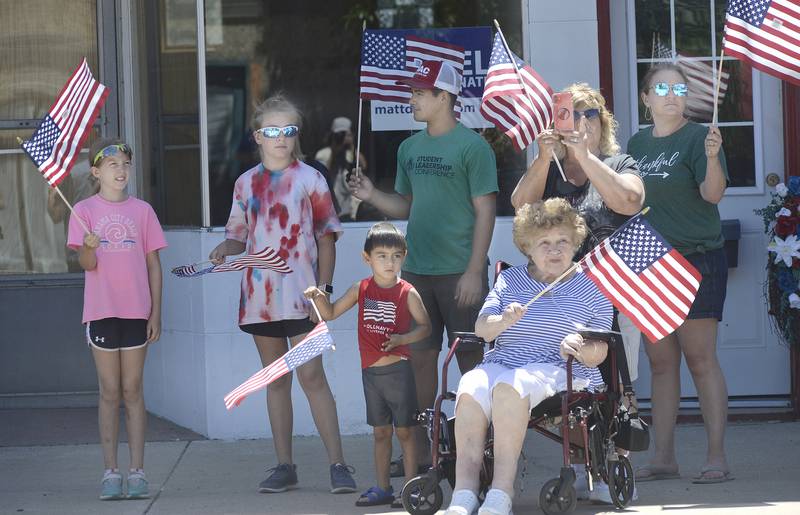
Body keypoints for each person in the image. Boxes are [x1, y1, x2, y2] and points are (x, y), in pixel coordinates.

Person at [348, 60, 498, 471]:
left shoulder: (474, 146)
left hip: (460, 272)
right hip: (416, 274)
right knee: (417, 361)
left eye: (418, 92)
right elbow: (404, 206)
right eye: (411, 91)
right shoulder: (408, 148)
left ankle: (478, 450)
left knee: (471, 360)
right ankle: (421, 451)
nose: (410, 99)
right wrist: (370, 193)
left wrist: (473, 271)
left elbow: (486, 211)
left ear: (443, 98)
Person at [209, 95, 356, 494]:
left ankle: (338, 465)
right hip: (260, 299)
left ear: (296, 135)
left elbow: (328, 240)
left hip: (304, 300)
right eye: (271, 131)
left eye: (288, 131)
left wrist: (324, 294)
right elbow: (237, 237)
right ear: (257, 136)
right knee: (276, 381)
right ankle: (284, 465)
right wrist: (225, 249)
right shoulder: (244, 183)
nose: (280, 138)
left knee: (312, 377)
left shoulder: (311, 178)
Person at [443, 198, 613, 515]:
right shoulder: (510, 280)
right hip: (504, 360)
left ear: (575, 243)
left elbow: (600, 351)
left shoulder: (594, 288)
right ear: (527, 247)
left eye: (563, 241)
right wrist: (503, 320)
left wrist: (579, 346)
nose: (554, 250)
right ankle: (464, 493)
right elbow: (482, 330)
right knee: (471, 386)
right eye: (544, 243)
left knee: (511, 386)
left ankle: (501, 493)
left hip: (558, 367)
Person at [627, 63, 731, 484]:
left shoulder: (699, 137)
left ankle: (716, 457)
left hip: (697, 260)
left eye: (679, 88)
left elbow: (712, 194)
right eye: (662, 88)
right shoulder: (637, 142)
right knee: (661, 363)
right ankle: (664, 457)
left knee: (700, 359)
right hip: (652, 264)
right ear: (646, 98)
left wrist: (711, 158)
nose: (672, 94)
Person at [510, 82, 645, 386]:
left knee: (617, 381)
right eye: (573, 114)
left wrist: (584, 156)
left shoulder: (619, 163)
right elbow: (520, 207)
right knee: (566, 377)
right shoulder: (550, 168)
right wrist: (543, 157)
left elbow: (631, 201)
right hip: (560, 293)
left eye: (591, 114)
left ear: (603, 123)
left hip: (613, 289)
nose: (582, 121)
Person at [304, 222, 431, 509]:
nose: (390, 262)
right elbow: (331, 312)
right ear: (367, 258)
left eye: (396, 256)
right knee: (380, 432)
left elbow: (425, 327)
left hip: (399, 372)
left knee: (407, 432)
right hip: (371, 374)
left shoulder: (407, 292)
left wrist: (402, 338)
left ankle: (410, 489)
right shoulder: (361, 289)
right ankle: (383, 488)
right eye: (382, 255)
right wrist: (317, 296)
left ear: (404, 257)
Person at [66, 138, 167, 500]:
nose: (120, 170)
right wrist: (90, 248)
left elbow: (154, 265)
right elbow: (87, 265)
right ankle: (110, 471)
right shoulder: (83, 210)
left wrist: (156, 310)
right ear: (96, 172)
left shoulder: (143, 212)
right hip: (102, 312)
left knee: (133, 390)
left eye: (125, 164)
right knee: (110, 391)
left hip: (137, 312)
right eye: (112, 165)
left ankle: (137, 471)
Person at [315, 116, 368, 221]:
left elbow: (364, 165)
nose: (343, 138)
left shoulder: (350, 154)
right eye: (340, 135)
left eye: (346, 135)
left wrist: (352, 146)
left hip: (346, 210)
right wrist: (335, 149)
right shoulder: (323, 154)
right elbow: (321, 176)